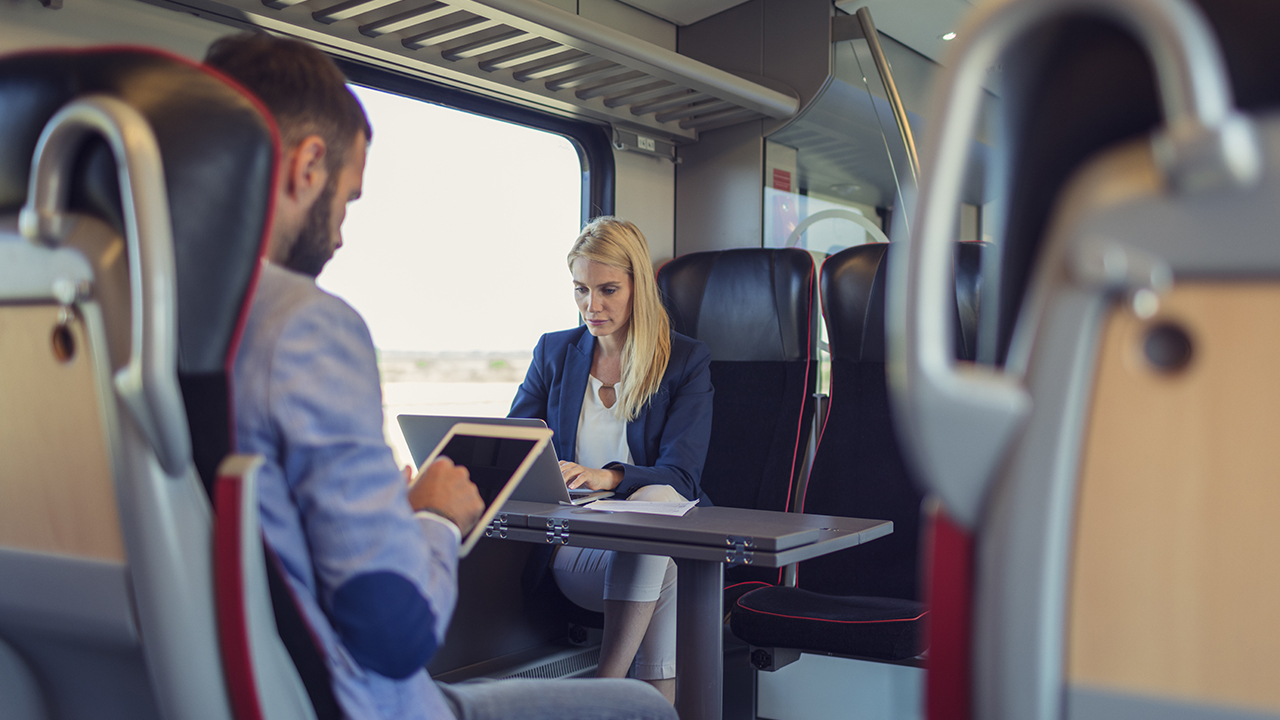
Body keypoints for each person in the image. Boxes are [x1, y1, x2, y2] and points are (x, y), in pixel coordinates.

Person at [210, 33, 676, 720]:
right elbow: (395, 633)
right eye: (347, 200)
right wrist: (431, 515)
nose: (339, 233)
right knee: (644, 712)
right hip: (358, 699)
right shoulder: (306, 328)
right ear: (308, 165)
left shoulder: (104, 324)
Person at [508, 217, 714, 703]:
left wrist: (607, 477)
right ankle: (610, 697)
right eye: (580, 289)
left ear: (638, 286)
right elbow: (511, 447)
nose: (591, 306)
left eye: (607, 290)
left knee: (656, 504)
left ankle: (603, 696)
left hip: (655, 540)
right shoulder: (554, 352)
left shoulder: (684, 361)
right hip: (573, 550)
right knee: (664, 562)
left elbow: (682, 477)